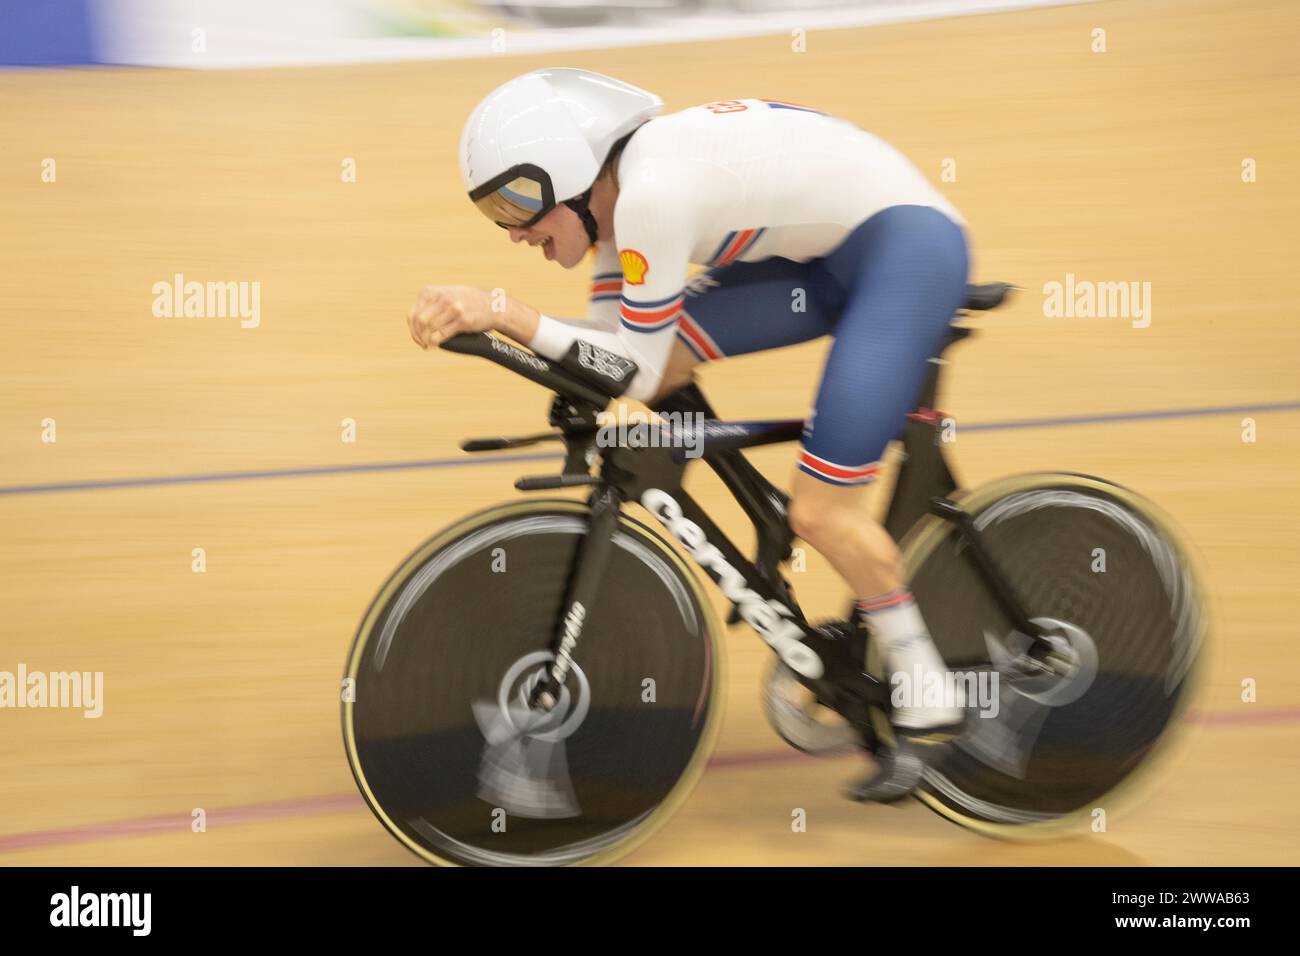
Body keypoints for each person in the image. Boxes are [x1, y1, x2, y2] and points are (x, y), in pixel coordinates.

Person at [407, 67, 969, 802]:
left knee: (823, 511)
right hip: (826, 262)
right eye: (495, 214)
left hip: (907, 253)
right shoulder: (615, 209)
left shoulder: (650, 197)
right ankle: (758, 512)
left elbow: (626, 372)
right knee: (665, 361)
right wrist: (500, 333)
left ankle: (931, 696)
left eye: (520, 202)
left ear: (575, 172)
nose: (514, 231)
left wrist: (501, 311)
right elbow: (616, 354)